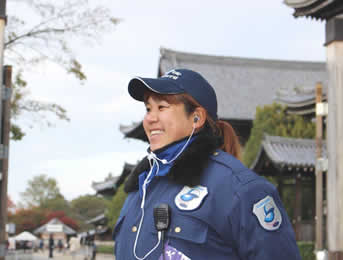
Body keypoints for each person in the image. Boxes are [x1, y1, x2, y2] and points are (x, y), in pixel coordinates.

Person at [113, 69, 301, 260]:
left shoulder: (240, 189)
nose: (150, 119)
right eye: (148, 109)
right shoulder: (140, 189)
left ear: (197, 117)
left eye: (162, 107)